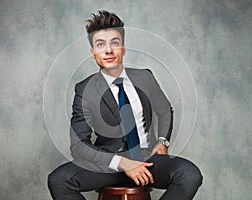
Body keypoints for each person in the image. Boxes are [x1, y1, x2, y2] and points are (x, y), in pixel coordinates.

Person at [48, 10, 202, 200]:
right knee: (59, 180)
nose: (109, 50)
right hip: (109, 164)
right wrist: (122, 163)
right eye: (100, 44)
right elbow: (79, 146)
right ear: (93, 52)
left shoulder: (145, 77)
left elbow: (165, 110)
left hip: (147, 160)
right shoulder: (85, 90)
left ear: (123, 48)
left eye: (115, 43)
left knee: (189, 174)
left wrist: (163, 142)